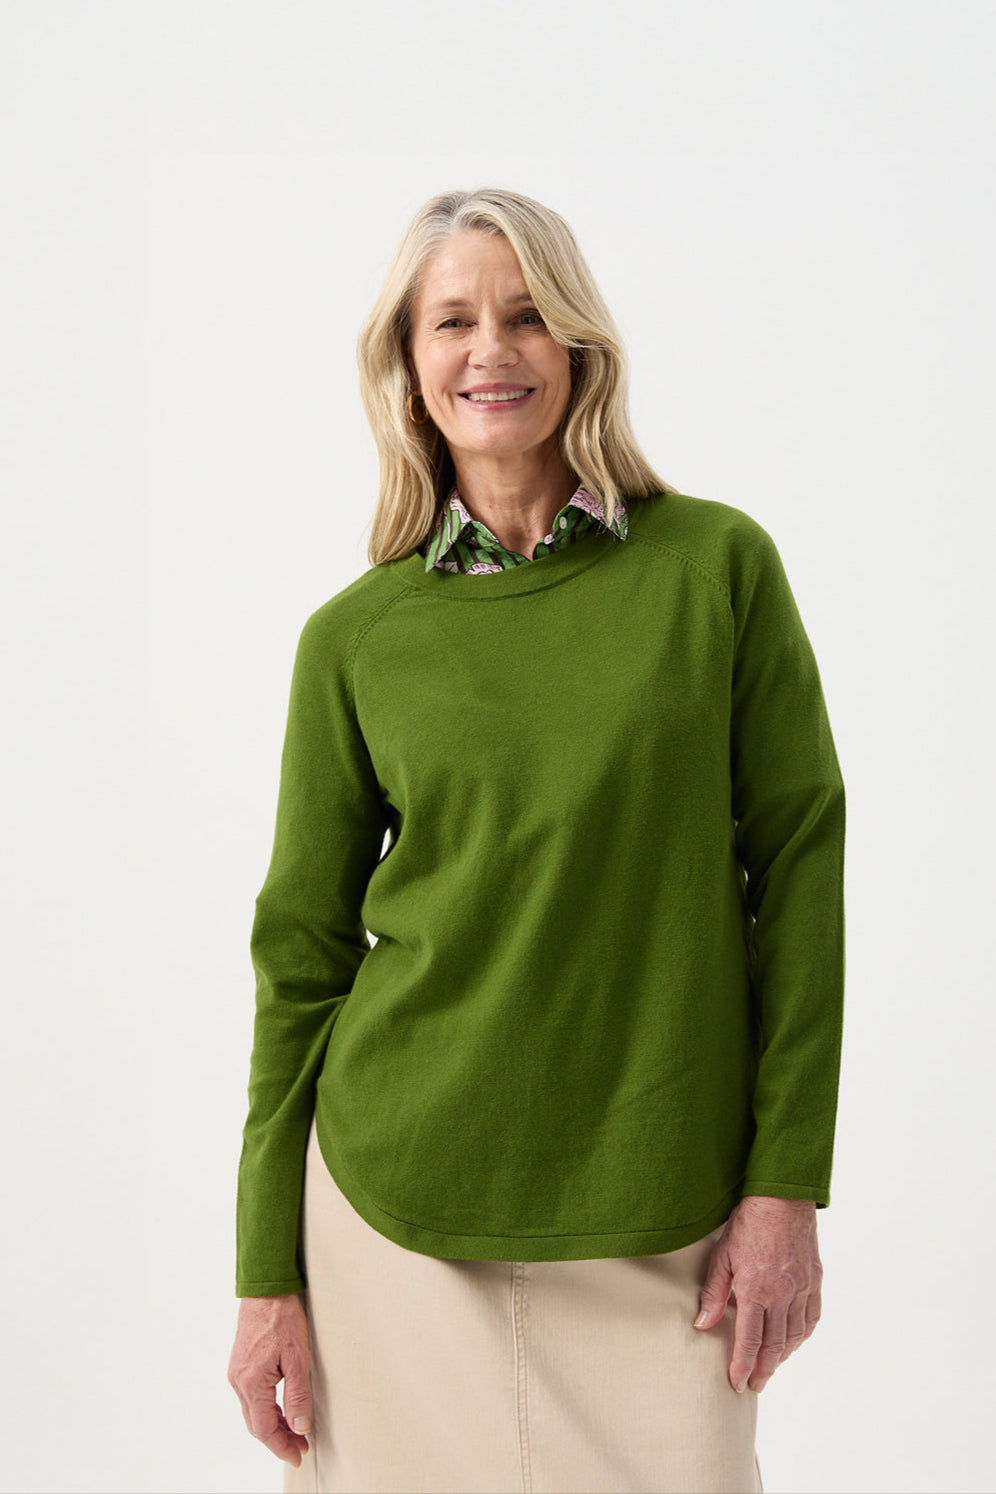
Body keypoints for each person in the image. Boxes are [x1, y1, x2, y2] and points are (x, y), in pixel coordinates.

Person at [227, 186, 846, 1494]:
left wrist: (787, 1182)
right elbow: (299, 958)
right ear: (409, 362)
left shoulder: (715, 570)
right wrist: (265, 1273)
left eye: (525, 315)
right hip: (394, 1225)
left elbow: (799, 862)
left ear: (578, 345)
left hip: (667, 1214)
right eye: (452, 321)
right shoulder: (356, 638)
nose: (490, 350)